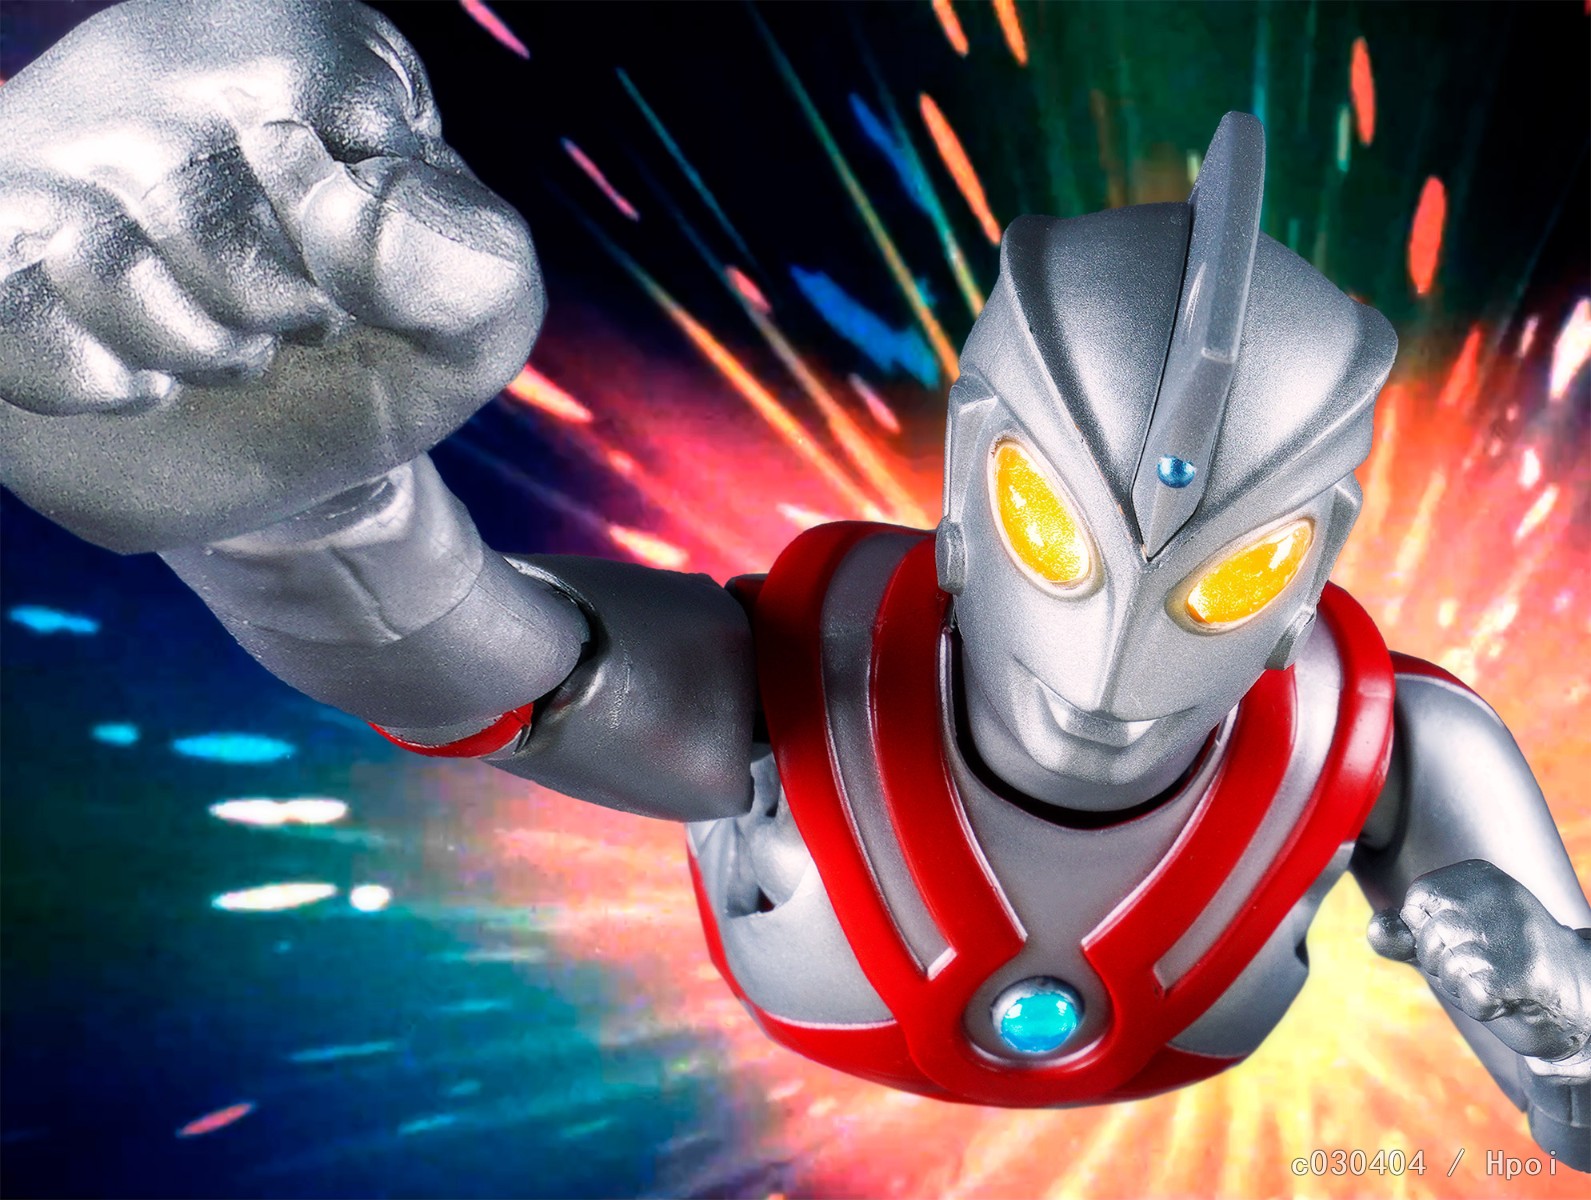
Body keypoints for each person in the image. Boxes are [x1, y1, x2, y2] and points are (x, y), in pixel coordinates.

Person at [2, 0, 1586, 1169]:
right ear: (974, 489)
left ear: (1322, 545)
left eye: (1236, 569)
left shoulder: (1389, 741)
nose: (1112, 669)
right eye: (1058, 533)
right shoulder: (802, 672)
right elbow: (457, 647)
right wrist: (300, 508)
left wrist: (1562, 1016)